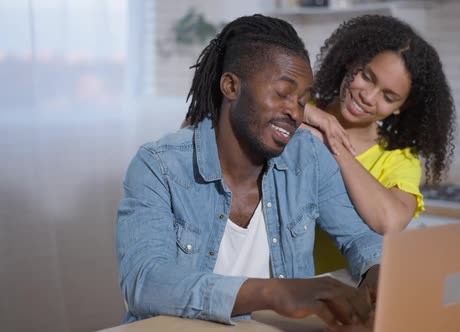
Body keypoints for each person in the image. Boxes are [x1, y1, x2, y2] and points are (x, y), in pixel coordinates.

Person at [116, 14, 381, 328]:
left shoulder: (308, 157)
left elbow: (360, 237)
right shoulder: (158, 166)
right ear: (231, 86)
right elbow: (145, 282)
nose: (295, 113)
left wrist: (378, 276)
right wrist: (274, 292)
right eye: (282, 93)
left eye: (302, 100)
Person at [302, 15, 456, 274]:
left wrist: (333, 143)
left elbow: (389, 220)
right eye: (366, 76)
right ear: (351, 60)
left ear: (401, 107)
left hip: (345, 288)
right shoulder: (304, 107)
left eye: (388, 96)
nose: (367, 96)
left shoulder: (398, 159)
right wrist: (307, 115)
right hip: (271, 282)